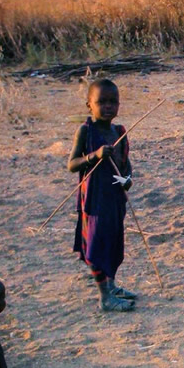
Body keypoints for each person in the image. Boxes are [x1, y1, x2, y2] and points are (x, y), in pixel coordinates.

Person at [68, 78, 136, 312]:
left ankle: (112, 285)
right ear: (89, 105)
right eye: (102, 102)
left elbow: (126, 164)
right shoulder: (86, 131)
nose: (108, 107)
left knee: (114, 243)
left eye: (113, 102)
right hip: (95, 199)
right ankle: (104, 296)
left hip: (115, 198)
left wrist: (127, 179)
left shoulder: (120, 132)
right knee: (97, 244)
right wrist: (94, 156)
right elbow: (72, 164)